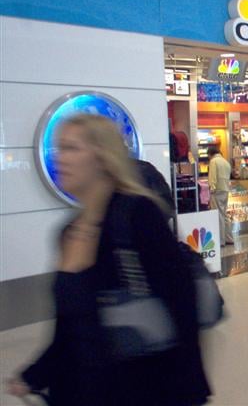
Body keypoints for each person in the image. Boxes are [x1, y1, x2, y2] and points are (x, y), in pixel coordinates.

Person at [6, 114, 211, 406]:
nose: (59, 157)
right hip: (80, 391)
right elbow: (68, 330)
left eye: (71, 148)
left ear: (102, 157)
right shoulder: (68, 233)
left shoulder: (137, 215)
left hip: (140, 390)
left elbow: (182, 307)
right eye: (58, 148)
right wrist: (33, 376)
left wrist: (189, 391)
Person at [208, 145, 234, 246]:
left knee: (218, 215)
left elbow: (212, 177)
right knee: (224, 214)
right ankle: (229, 238)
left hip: (217, 191)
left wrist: (212, 189)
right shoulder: (225, 162)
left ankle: (221, 241)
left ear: (210, 154)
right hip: (225, 190)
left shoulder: (214, 162)